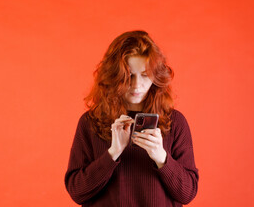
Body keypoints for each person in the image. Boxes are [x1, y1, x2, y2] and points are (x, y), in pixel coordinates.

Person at [64, 30, 198, 206]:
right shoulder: (90, 122)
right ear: (114, 77)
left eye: (144, 75)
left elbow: (187, 194)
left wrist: (161, 157)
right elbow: (77, 192)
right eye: (128, 76)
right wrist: (112, 153)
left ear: (156, 76)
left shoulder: (175, 122)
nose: (137, 85)